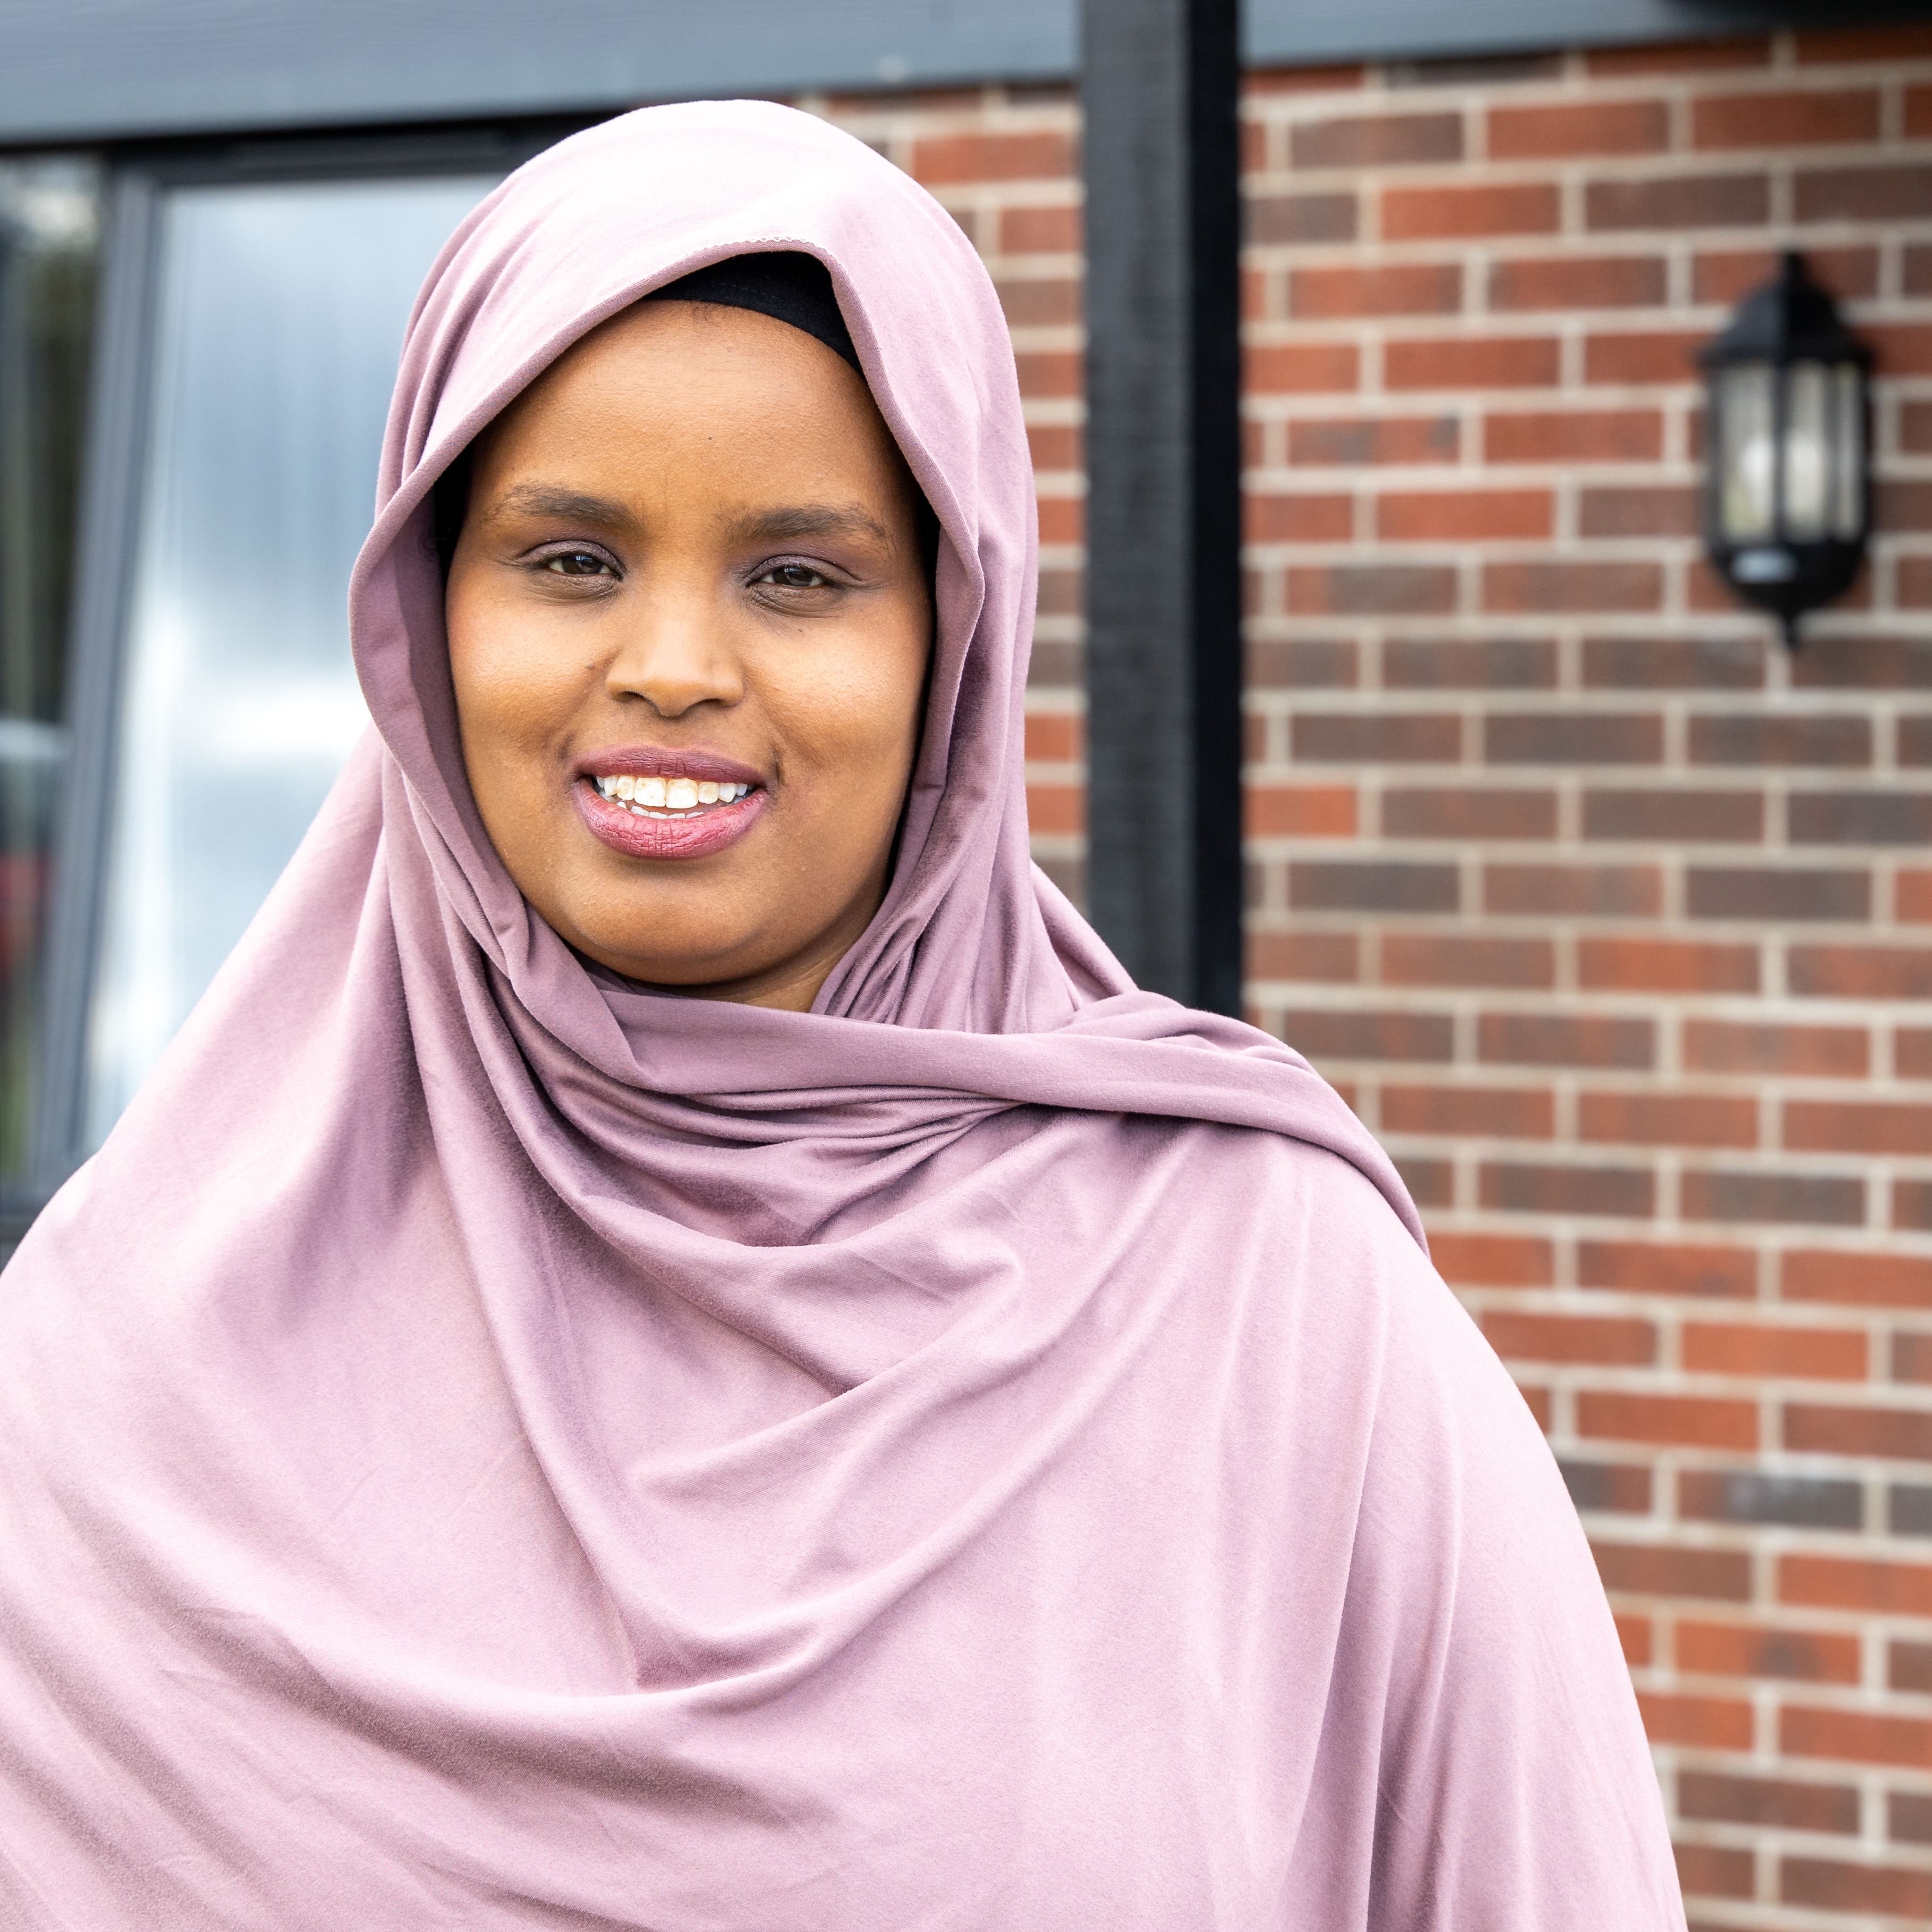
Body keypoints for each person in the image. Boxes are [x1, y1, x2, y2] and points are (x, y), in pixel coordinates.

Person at [0, 102, 1685, 1928]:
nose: (671, 663)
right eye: (568, 558)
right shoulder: (110, 1369)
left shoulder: (1275, 1315)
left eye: (799, 574)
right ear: (429, 609)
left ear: (952, 643)